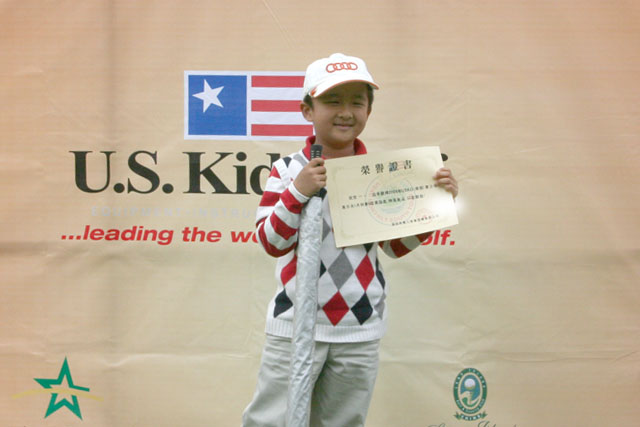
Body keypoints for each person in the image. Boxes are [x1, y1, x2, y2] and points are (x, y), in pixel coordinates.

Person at [242, 53, 458, 427]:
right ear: (307, 110)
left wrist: (434, 205)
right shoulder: (288, 170)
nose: (346, 112)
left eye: (357, 102)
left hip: (359, 325)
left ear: (369, 111)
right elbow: (271, 241)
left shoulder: (379, 174)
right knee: (270, 421)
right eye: (332, 101)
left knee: (343, 422)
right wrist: (298, 190)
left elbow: (394, 247)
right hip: (293, 324)